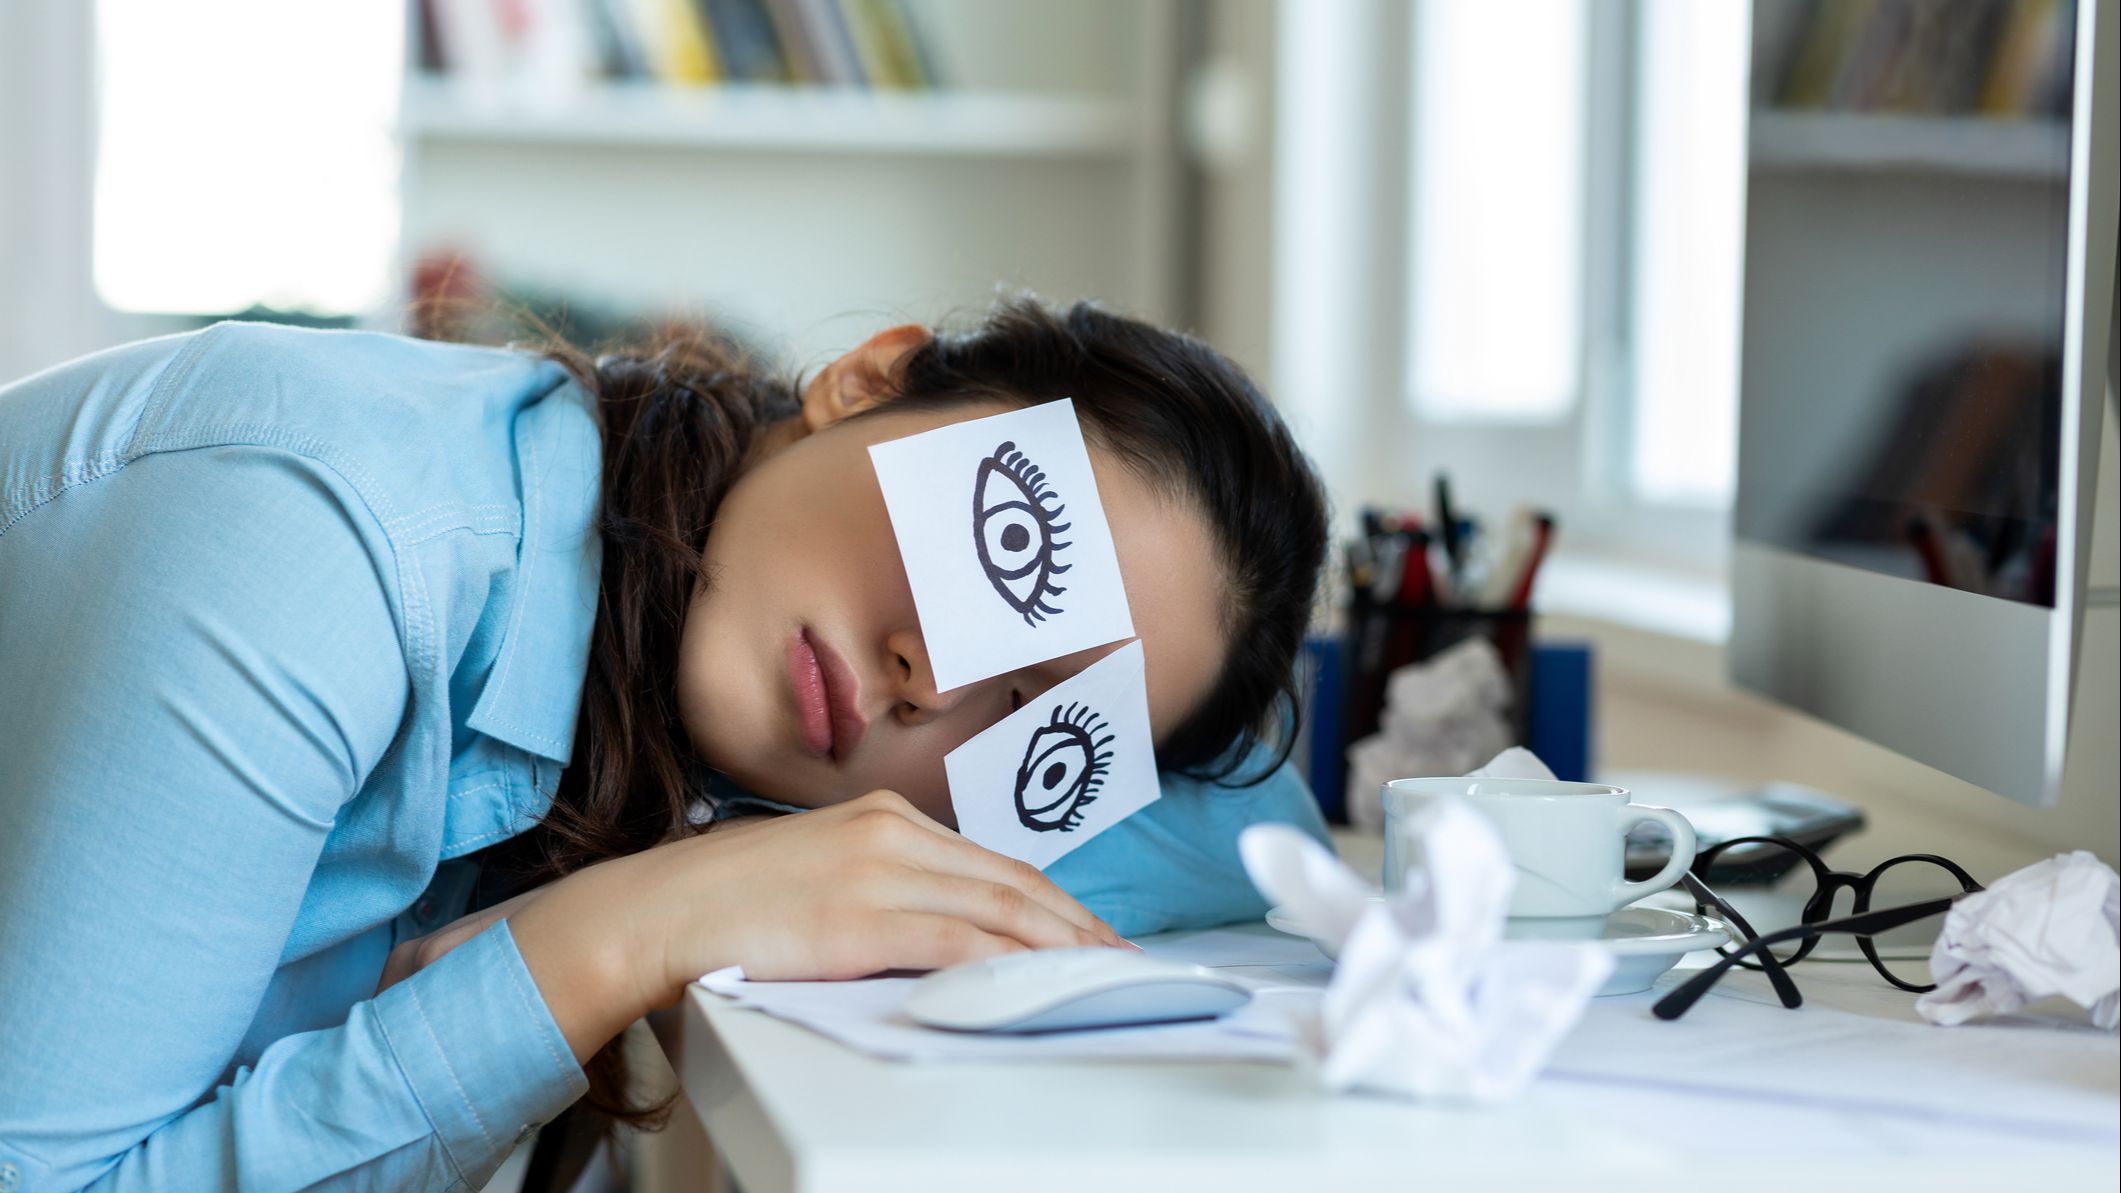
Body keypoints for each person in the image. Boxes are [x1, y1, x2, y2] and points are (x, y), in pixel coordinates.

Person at [0, 295, 1330, 1191]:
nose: (935, 679)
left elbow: (1247, 841)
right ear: (865, 379)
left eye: (1041, 726)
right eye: (1005, 549)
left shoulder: (652, 676)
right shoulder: (327, 547)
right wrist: (623, 933)